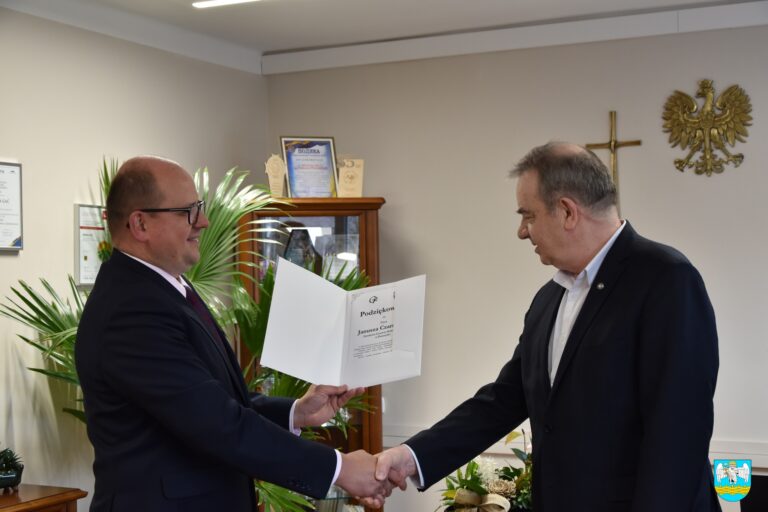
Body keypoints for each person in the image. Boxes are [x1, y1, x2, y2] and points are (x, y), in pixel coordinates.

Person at [373, 142, 721, 511]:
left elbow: (678, 434)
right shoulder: (549, 298)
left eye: (528, 216)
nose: (522, 232)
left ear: (568, 212)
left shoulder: (666, 279)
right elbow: (504, 400)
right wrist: (412, 457)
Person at [75, 156, 389, 512]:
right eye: (188, 212)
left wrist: (296, 413)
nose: (203, 221)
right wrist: (339, 468)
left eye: (200, 208)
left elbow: (211, 399)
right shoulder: (131, 311)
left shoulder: (166, 289)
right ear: (140, 223)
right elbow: (217, 424)